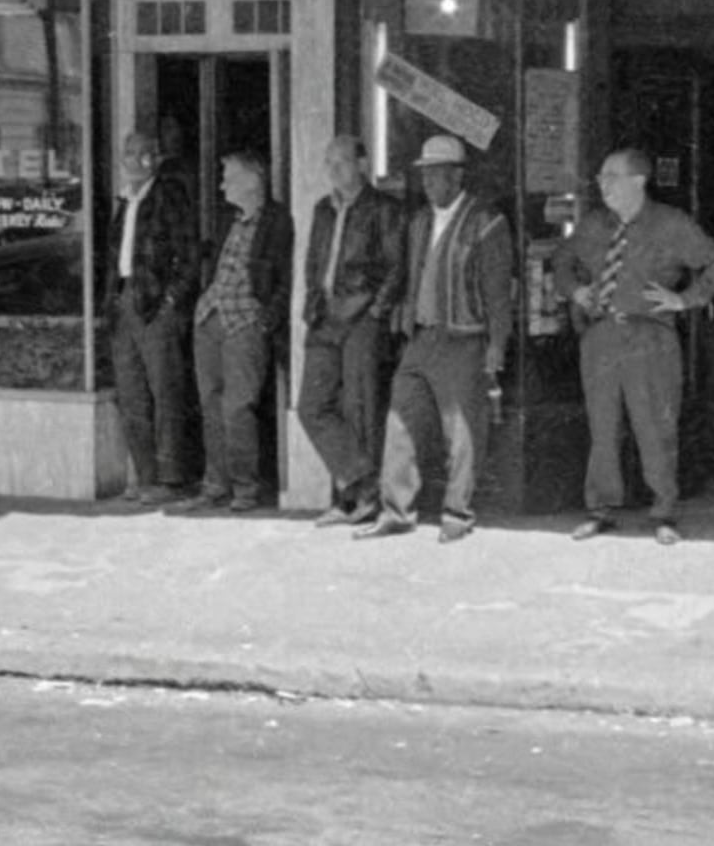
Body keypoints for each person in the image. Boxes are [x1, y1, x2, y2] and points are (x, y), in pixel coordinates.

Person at [557, 146, 714, 544]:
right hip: (601, 336)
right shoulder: (593, 224)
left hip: (650, 336)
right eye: (601, 178)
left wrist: (685, 299)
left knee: (655, 426)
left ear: (639, 181)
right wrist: (575, 291)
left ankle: (663, 512)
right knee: (602, 426)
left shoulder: (671, 225)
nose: (603, 185)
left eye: (612, 177)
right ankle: (599, 509)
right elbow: (562, 261)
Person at [363, 131, 517, 544]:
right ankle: (396, 511)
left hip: (465, 339)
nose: (428, 184)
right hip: (421, 338)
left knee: (462, 430)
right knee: (400, 421)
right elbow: (409, 278)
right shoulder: (419, 222)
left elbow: (498, 292)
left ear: (456, 176)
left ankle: (457, 514)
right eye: (425, 176)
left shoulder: (486, 222)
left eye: (436, 176)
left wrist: (497, 345)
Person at [294, 132, 410, 524]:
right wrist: (312, 300)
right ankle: (363, 484)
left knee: (360, 407)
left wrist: (376, 312)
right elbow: (313, 263)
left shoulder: (383, 208)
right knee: (312, 405)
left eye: (340, 162)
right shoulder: (323, 209)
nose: (332, 170)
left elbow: (397, 266)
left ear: (363, 164)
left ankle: (354, 501)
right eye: (328, 163)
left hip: (362, 315)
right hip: (325, 315)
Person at [189, 145, 292, 511]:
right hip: (210, 317)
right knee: (211, 404)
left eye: (229, 178)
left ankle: (245, 487)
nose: (221, 186)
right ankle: (215, 483)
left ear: (252, 181)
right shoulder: (227, 219)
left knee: (237, 406)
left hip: (245, 321)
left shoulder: (277, 220)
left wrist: (267, 319)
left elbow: (285, 277)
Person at [104, 124, 202, 501]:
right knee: (131, 394)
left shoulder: (168, 194)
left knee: (166, 392)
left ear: (157, 159)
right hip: (125, 300)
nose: (136, 161)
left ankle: (171, 479)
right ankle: (145, 477)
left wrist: (172, 303)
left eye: (145, 154)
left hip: (154, 303)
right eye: (130, 154)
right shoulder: (126, 198)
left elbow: (189, 253)